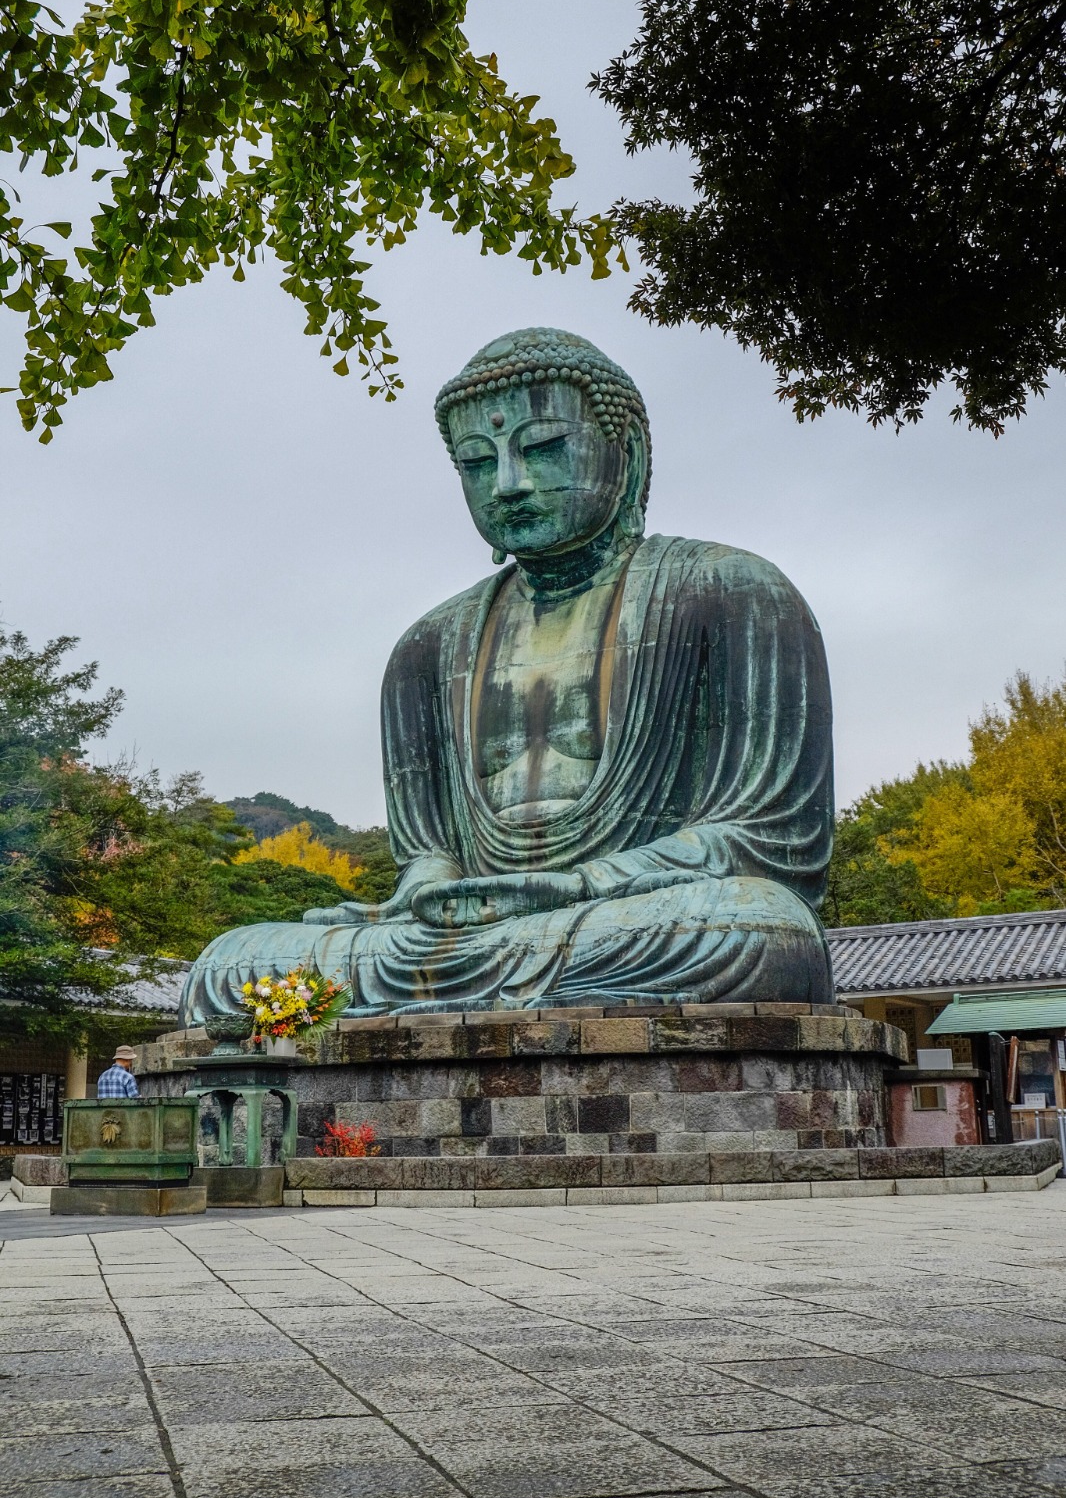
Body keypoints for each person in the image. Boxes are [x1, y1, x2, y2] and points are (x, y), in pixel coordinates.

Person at [179, 327, 834, 1023]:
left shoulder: (732, 593)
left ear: (630, 452)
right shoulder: (427, 649)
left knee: (758, 931)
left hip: (634, 914)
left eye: (543, 448)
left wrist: (579, 883)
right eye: (476, 463)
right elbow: (431, 854)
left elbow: (768, 843)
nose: (509, 485)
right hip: (473, 935)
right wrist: (427, 887)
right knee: (230, 964)